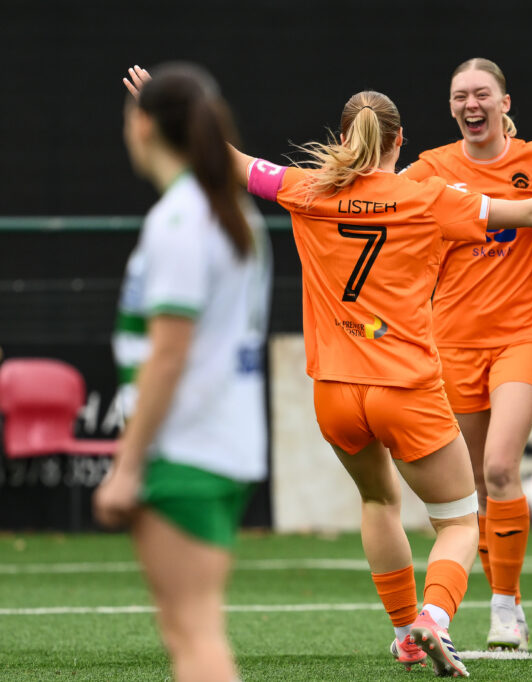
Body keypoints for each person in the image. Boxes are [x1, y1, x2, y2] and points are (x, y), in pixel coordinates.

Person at [123, 66, 532, 677]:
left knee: (378, 500)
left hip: (334, 390)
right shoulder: (427, 196)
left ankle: (405, 631)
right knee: (459, 521)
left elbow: (232, 162)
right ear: (400, 139)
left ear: (343, 136)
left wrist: (169, 111)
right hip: (405, 388)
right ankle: (434, 618)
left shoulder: (306, 189)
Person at [94, 63, 272, 682]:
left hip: (185, 450)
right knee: (189, 630)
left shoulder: (180, 219)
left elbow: (168, 355)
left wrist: (128, 465)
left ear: (143, 125)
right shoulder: (225, 212)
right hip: (219, 443)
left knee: (193, 634)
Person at [399, 57, 532, 650]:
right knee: (471, 482)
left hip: (524, 332)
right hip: (453, 337)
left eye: (482, 94)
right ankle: (507, 601)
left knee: (499, 467)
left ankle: (503, 608)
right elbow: (374, 192)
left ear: (505, 103)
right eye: (460, 96)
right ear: (451, 107)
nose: (471, 104)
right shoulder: (430, 168)